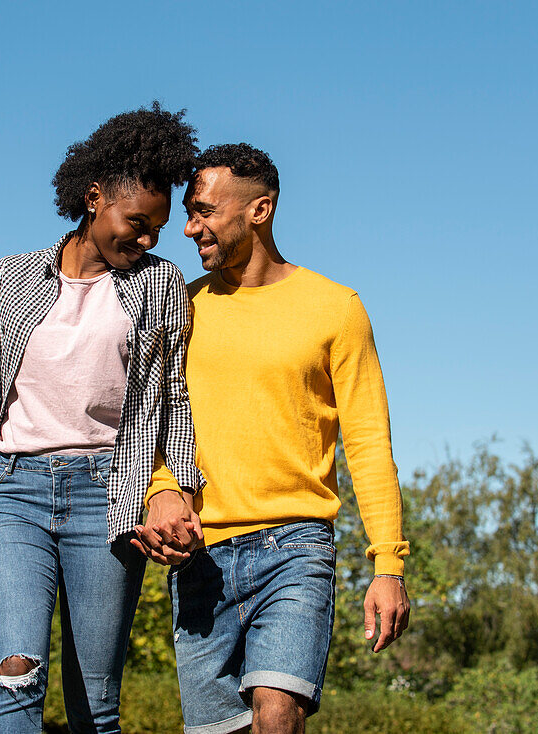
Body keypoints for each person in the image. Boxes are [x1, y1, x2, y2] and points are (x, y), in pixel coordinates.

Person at [0, 103, 205, 733]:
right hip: (13, 496)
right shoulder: (8, 280)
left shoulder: (161, 285)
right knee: (16, 679)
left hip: (106, 498)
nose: (145, 240)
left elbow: (174, 403)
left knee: (95, 707)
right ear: (94, 199)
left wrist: (180, 497)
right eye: (135, 223)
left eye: (157, 230)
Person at [134, 143, 411, 734]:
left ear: (259, 210)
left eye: (205, 211)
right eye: (189, 212)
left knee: (277, 710)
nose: (188, 228)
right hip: (200, 555)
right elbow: (149, 418)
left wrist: (387, 564)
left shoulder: (336, 308)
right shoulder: (180, 307)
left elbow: (367, 443)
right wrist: (159, 488)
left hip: (296, 547)